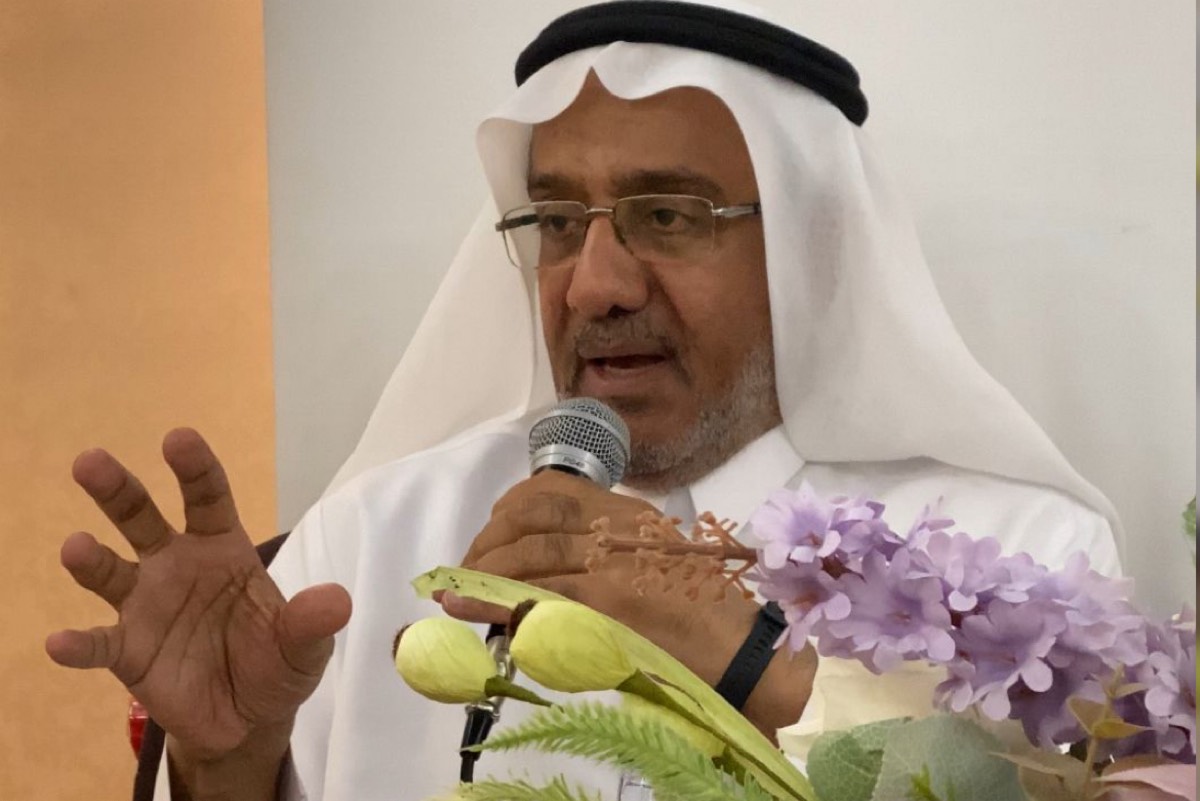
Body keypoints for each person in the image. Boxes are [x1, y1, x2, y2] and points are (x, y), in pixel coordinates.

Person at [45, 2, 1124, 800]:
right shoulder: (368, 542)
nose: (594, 283)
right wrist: (227, 767)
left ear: (811, 251)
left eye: (669, 215)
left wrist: (753, 659)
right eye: (558, 223)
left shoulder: (1023, 556)